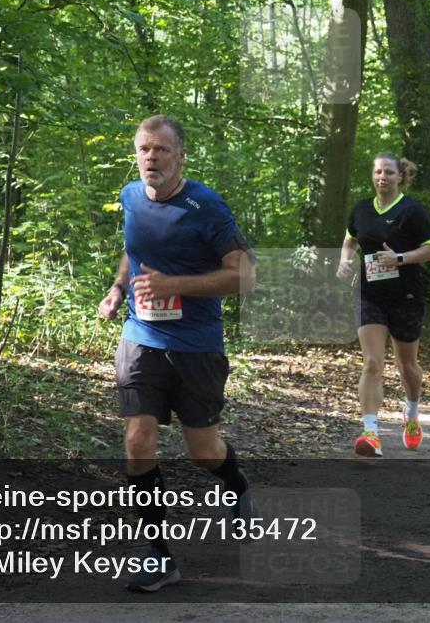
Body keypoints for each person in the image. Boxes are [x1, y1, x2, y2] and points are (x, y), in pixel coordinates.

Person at [98, 114, 256, 592]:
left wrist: (175, 285)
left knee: (203, 450)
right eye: (144, 149)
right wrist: (118, 287)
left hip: (196, 346)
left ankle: (236, 484)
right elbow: (134, 249)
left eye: (162, 149)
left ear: (181, 156)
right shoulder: (130, 196)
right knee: (137, 441)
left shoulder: (205, 206)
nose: (152, 158)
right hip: (141, 338)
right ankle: (158, 554)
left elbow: (244, 276)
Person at [338, 153, 430, 457]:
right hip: (369, 294)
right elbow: (350, 239)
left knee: (407, 367)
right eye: (378, 172)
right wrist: (345, 261)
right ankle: (371, 433)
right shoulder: (361, 209)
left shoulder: (412, 211)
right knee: (372, 362)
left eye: (388, 173)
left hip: (405, 296)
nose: (382, 177)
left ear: (400, 177)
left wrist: (400, 258)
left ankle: (412, 413)